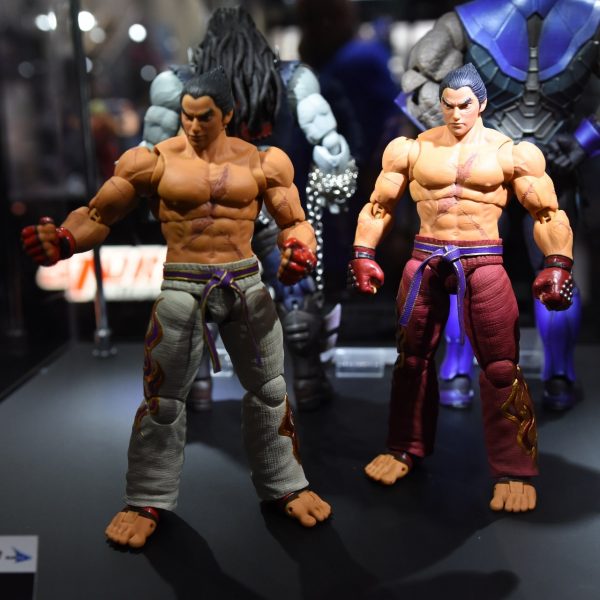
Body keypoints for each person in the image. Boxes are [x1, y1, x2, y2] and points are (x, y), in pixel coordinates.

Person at [21, 67, 332, 548]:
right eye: (187, 115)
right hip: (183, 283)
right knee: (162, 398)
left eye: (204, 116)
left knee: (271, 389)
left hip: (244, 281)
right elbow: (99, 214)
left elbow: (295, 222)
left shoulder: (263, 162)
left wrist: (298, 253)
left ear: (227, 114)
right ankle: (146, 498)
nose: (193, 125)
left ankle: (285, 483)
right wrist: (64, 240)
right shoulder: (152, 161)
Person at [348, 64, 575, 512]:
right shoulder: (412, 148)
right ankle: (403, 448)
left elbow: (547, 213)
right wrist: (363, 252)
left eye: (464, 105)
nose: (455, 114)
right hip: (425, 258)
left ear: (481, 104)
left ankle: (514, 470)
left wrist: (557, 263)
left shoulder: (511, 153)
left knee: (500, 365)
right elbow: (378, 206)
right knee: (411, 358)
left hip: (482, 258)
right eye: (448, 106)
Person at [143, 6, 357, 412]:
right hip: (270, 201)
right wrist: (337, 183)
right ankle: (308, 380)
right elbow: (328, 143)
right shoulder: (291, 77)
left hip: (205, 209)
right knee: (295, 292)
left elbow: (149, 154)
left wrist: (148, 198)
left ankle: (196, 387)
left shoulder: (177, 83)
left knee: (193, 298)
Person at [398, 0, 600, 410]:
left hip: (502, 167)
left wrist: (462, 147)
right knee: (543, 266)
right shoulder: (590, 18)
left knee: (474, 268)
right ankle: (553, 378)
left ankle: (462, 373)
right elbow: (420, 88)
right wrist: (582, 140)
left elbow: (420, 87)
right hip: (534, 165)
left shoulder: (466, 21)